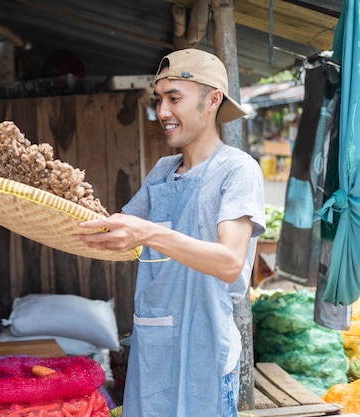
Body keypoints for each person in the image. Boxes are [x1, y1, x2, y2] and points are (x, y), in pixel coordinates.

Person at [76, 48, 266, 416]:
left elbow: (229, 263)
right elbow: (117, 234)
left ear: (212, 100)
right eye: (160, 100)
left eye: (174, 98)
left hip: (206, 352)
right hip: (154, 349)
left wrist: (147, 233)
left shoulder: (236, 170)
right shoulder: (163, 171)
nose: (162, 112)